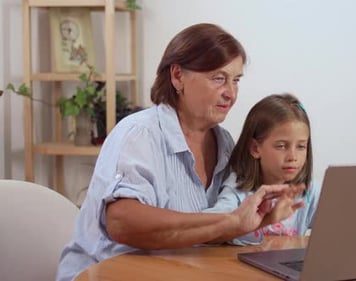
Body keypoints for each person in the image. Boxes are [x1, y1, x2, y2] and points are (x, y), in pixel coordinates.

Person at [56, 23, 305, 281]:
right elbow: (122, 223)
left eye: (236, 80)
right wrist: (229, 222)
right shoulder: (141, 134)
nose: (231, 93)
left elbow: (211, 232)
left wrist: (256, 220)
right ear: (177, 76)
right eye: (218, 78)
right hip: (108, 274)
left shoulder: (225, 142)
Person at [204, 93, 320, 245]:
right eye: (281, 146)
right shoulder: (238, 190)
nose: (293, 156)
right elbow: (207, 229)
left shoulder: (308, 191)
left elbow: (339, 225)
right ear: (255, 148)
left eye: (301, 146)